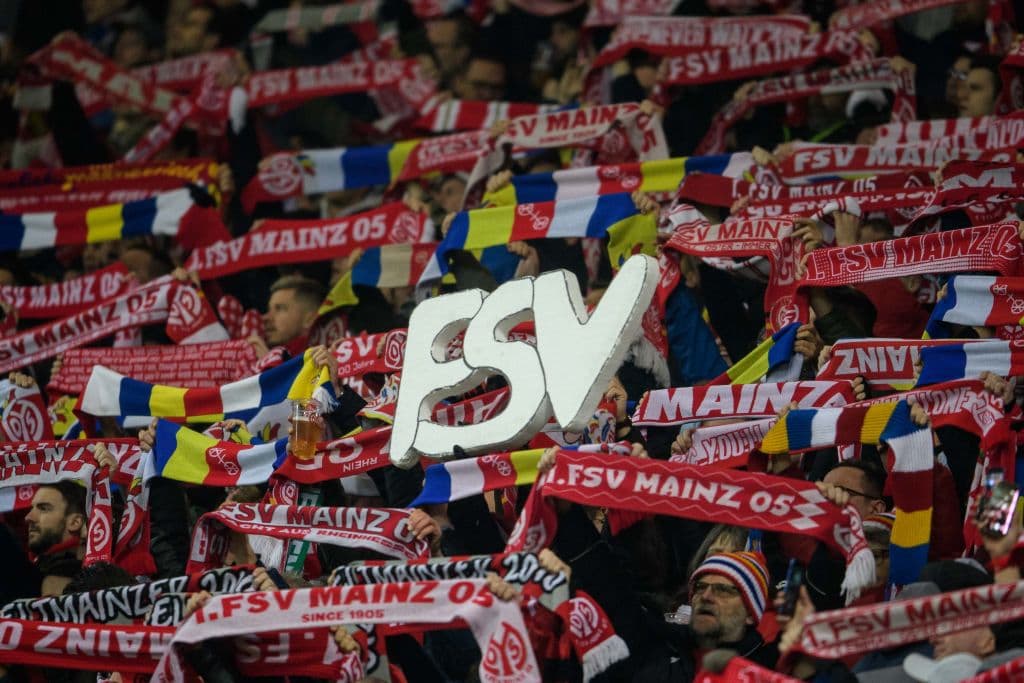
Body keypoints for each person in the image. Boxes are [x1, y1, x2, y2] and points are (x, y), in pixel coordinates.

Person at [25, 480, 87, 596]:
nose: (28, 517)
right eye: (32, 509)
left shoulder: (81, 575)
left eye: (43, 508)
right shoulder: (39, 566)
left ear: (75, 522)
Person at [249, 274, 326, 361]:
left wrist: (270, 368)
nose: (265, 318)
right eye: (269, 309)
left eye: (280, 308)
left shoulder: (319, 364)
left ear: (309, 320)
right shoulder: (257, 354)